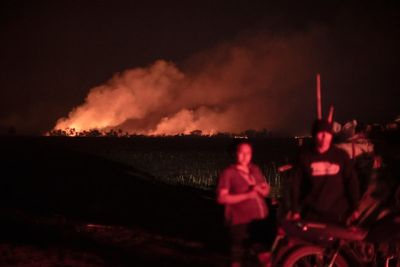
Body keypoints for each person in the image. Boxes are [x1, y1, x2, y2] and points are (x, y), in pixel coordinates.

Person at [290, 119, 360, 225]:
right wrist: (294, 210)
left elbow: (351, 182)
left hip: (338, 213)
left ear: (331, 135)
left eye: (327, 133)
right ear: (314, 135)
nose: (324, 136)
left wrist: (355, 207)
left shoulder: (341, 156)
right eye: (320, 133)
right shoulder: (304, 157)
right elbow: (295, 184)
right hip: (311, 212)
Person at [217, 140, 270, 267]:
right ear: (235, 154)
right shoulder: (229, 173)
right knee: (237, 256)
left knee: (263, 254)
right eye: (241, 153)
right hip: (239, 221)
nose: (245, 156)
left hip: (258, 220)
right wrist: (247, 195)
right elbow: (221, 198)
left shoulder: (254, 169)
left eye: (248, 153)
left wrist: (264, 189)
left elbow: (265, 190)